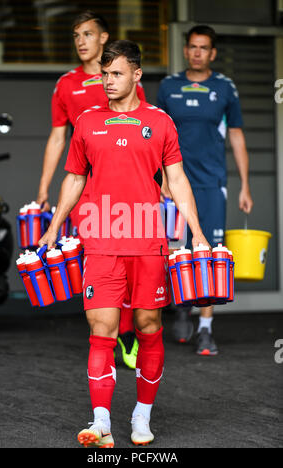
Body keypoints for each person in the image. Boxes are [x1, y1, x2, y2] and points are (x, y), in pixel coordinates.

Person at [39, 40, 209, 448]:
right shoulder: (87, 122)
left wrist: (197, 231)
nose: (108, 81)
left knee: (150, 326)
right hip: (100, 239)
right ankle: (100, 422)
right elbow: (75, 178)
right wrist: (54, 226)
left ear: (136, 75)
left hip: (148, 239)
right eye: (104, 74)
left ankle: (141, 414)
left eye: (116, 74)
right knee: (102, 329)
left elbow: (178, 180)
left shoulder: (161, 122)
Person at [36, 10, 146, 369]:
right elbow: (57, 138)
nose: (80, 41)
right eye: (75, 36)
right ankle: (107, 334)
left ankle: (127, 333)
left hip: (128, 194)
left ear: (103, 38)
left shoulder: (124, 78)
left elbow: (148, 133)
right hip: (87, 194)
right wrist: (44, 189)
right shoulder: (66, 84)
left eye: (87, 34)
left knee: (130, 267)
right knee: (99, 266)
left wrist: (158, 184)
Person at [157, 25, 253, 356]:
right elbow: (156, 135)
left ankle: (206, 328)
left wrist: (244, 185)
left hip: (212, 184)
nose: (198, 52)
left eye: (204, 48)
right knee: (174, 250)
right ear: (185, 51)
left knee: (211, 253)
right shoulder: (168, 86)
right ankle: (182, 307)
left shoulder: (225, 88)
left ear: (212, 53)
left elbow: (237, 135)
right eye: (193, 47)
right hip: (175, 181)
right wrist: (162, 181)